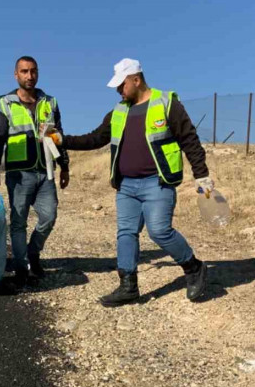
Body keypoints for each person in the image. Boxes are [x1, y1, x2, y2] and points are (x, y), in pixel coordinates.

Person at [48, 58, 214, 307]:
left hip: (157, 182)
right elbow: (95, 138)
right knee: (126, 234)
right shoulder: (118, 111)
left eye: (121, 85)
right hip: (126, 185)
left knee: (159, 231)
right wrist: (62, 140)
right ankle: (128, 286)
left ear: (136, 80)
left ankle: (194, 268)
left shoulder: (167, 104)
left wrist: (201, 175)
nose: (118, 90)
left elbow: (189, 140)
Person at [0, 56, 70, 288]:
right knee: (18, 222)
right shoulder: (5, 103)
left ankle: (33, 254)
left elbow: (59, 136)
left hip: (46, 171)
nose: (29, 76)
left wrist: (64, 166)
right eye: (24, 71)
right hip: (18, 174)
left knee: (49, 216)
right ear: (16, 75)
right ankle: (22, 267)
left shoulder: (50, 102)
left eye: (33, 71)